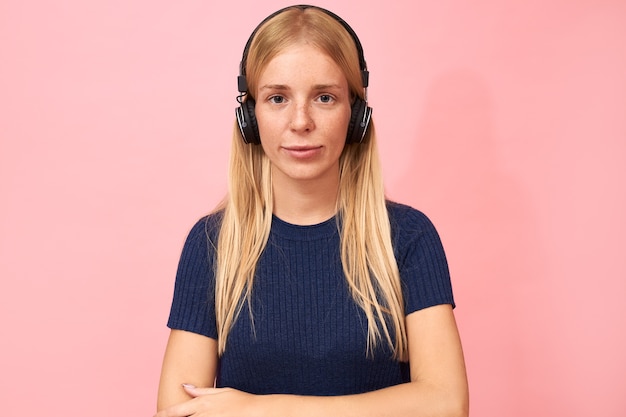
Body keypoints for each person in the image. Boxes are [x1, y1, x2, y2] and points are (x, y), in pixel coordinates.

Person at [155, 5, 469, 417]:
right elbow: (178, 410)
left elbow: (446, 403)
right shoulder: (213, 243)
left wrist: (261, 410)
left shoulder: (408, 238)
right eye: (277, 98)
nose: (300, 121)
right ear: (249, 118)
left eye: (325, 97)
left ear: (356, 115)